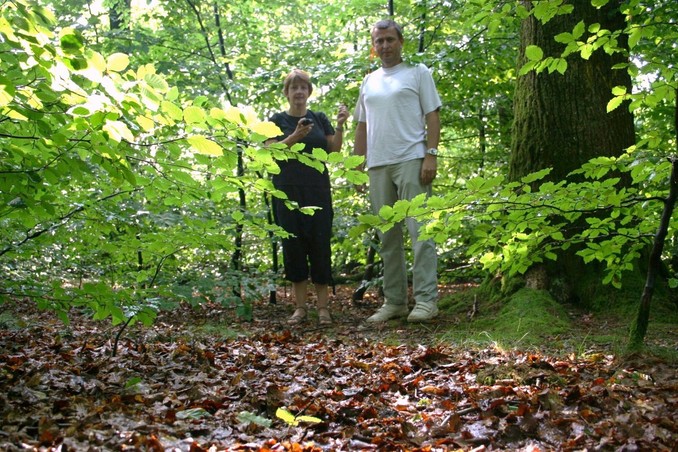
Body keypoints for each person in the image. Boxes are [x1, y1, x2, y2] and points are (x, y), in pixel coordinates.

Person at [354, 19, 442, 323]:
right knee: (388, 236)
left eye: (390, 40)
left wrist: (430, 155)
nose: (385, 46)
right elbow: (362, 125)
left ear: (400, 42)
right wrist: (356, 167)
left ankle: (426, 300)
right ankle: (394, 302)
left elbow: (433, 116)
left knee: (420, 231)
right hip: (377, 164)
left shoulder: (418, 73)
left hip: (411, 160)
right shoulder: (369, 81)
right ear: (373, 46)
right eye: (379, 41)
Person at [266, 69, 349, 326]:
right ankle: (300, 308)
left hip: (318, 192)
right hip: (286, 192)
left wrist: (340, 125)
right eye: (294, 88)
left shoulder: (319, 118)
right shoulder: (276, 120)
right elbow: (270, 152)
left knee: (320, 245)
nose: (299, 92)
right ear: (287, 93)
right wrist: (294, 137)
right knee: (293, 247)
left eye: (303, 87)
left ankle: (323, 308)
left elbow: (333, 150)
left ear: (309, 92)